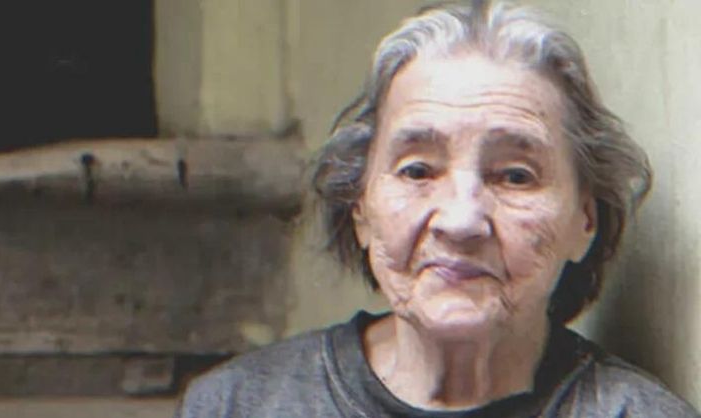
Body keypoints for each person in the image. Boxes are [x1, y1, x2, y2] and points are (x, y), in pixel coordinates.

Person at [175, 1, 700, 416]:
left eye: (515, 176)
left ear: (585, 220)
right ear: (360, 209)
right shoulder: (237, 405)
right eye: (418, 171)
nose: (460, 220)